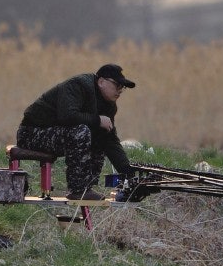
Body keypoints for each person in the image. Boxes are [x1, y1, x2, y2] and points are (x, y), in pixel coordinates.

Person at [16, 63, 136, 200]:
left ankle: (87, 187)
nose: (120, 90)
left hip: (60, 135)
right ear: (101, 82)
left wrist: (128, 172)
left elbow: (110, 140)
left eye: (123, 87)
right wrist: (97, 120)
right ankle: (78, 189)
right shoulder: (78, 85)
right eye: (117, 85)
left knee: (100, 136)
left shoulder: (109, 105)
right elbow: (67, 116)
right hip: (31, 134)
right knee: (82, 131)